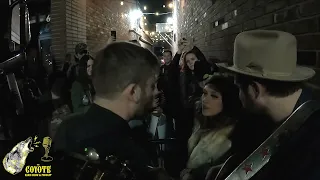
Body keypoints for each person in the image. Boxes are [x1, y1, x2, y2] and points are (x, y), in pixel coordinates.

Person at [54, 42, 171, 180]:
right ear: (134, 92)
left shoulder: (67, 127)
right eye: (152, 85)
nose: (156, 91)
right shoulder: (128, 153)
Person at [213, 30, 319, 180]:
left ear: (254, 90)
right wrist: (229, 168)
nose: (237, 95)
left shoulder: (312, 147)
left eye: (238, 88)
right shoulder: (259, 120)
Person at [180, 74, 242, 180]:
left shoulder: (233, 135)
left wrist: (193, 174)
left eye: (214, 96)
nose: (205, 100)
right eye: (204, 93)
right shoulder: (200, 122)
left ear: (227, 101)